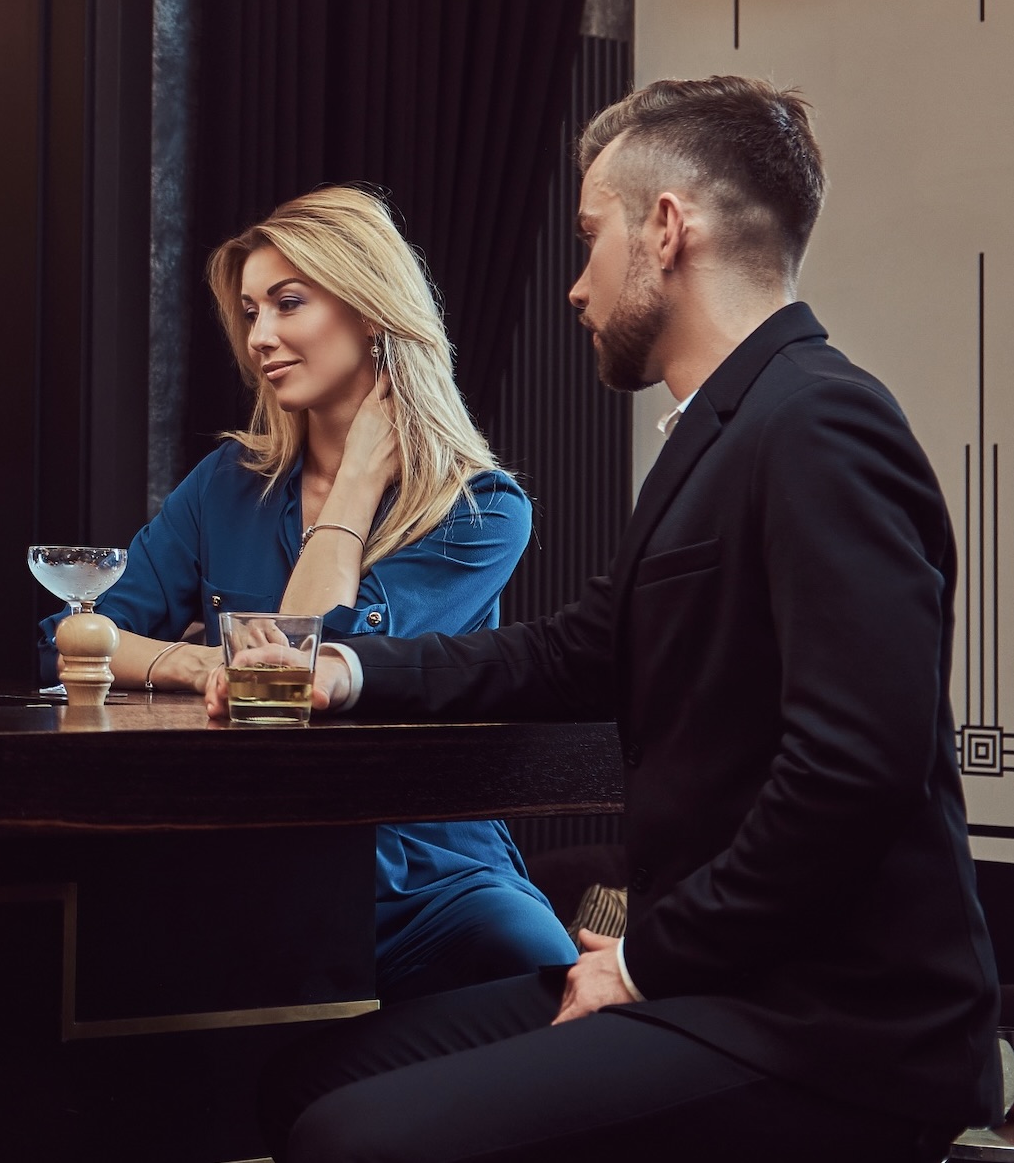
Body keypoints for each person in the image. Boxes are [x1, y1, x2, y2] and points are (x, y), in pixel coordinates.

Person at [217, 77, 1001, 1162]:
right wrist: (343, 671)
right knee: (310, 1080)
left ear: (666, 230)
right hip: (713, 979)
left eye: (589, 239)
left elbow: (852, 770)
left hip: (829, 1027)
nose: (576, 286)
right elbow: (576, 650)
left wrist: (641, 959)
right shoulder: (710, 433)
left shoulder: (819, 420)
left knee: (354, 1136)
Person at [45, 185, 574, 1000]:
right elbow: (78, 634)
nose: (260, 336)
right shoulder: (226, 481)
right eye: (251, 310)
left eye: (288, 303)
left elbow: (308, 664)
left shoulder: (483, 511)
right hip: (249, 852)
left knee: (541, 974)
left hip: (426, 876)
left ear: (369, 311)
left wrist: (359, 480)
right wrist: (195, 667)